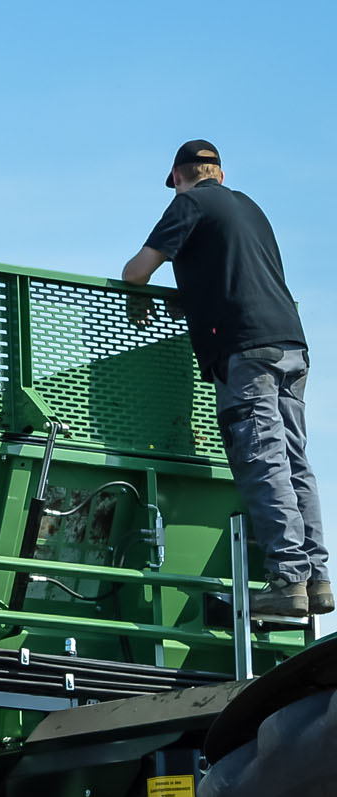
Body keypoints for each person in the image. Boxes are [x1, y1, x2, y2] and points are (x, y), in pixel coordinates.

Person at [122, 139, 326, 620]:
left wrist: (143, 293)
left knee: (263, 457)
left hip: (245, 350)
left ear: (177, 177)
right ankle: (318, 579)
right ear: (222, 172)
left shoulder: (190, 203)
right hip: (292, 345)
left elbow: (136, 271)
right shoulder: (250, 207)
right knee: (296, 459)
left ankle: (287, 578)